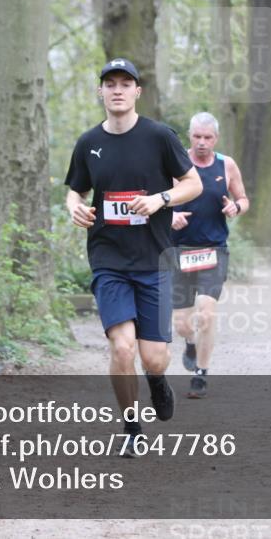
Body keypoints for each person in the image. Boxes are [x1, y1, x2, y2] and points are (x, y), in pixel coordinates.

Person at [64, 58, 203, 453]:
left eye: (126, 83)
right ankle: (131, 428)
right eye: (111, 84)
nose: (118, 90)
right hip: (109, 260)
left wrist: (161, 199)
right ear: (101, 92)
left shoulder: (159, 137)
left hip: (154, 261)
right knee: (122, 348)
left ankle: (157, 381)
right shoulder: (89, 143)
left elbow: (191, 184)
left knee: (154, 358)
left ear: (138, 91)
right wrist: (73, 206)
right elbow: (76, 189)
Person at [170, 112, 248, 400]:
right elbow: (158, 201)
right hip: (179, 251)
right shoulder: (176, 164)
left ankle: (201, 373)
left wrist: (236, 208)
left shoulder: (226, 165)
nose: (202, 142)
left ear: (216, 138)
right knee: (181, 324)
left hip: (214, 249)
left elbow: (243, 199)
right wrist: (171, 215)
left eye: (208, 137)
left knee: (207, 312)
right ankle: (189, 343)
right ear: (189, 135)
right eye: (197, 136)